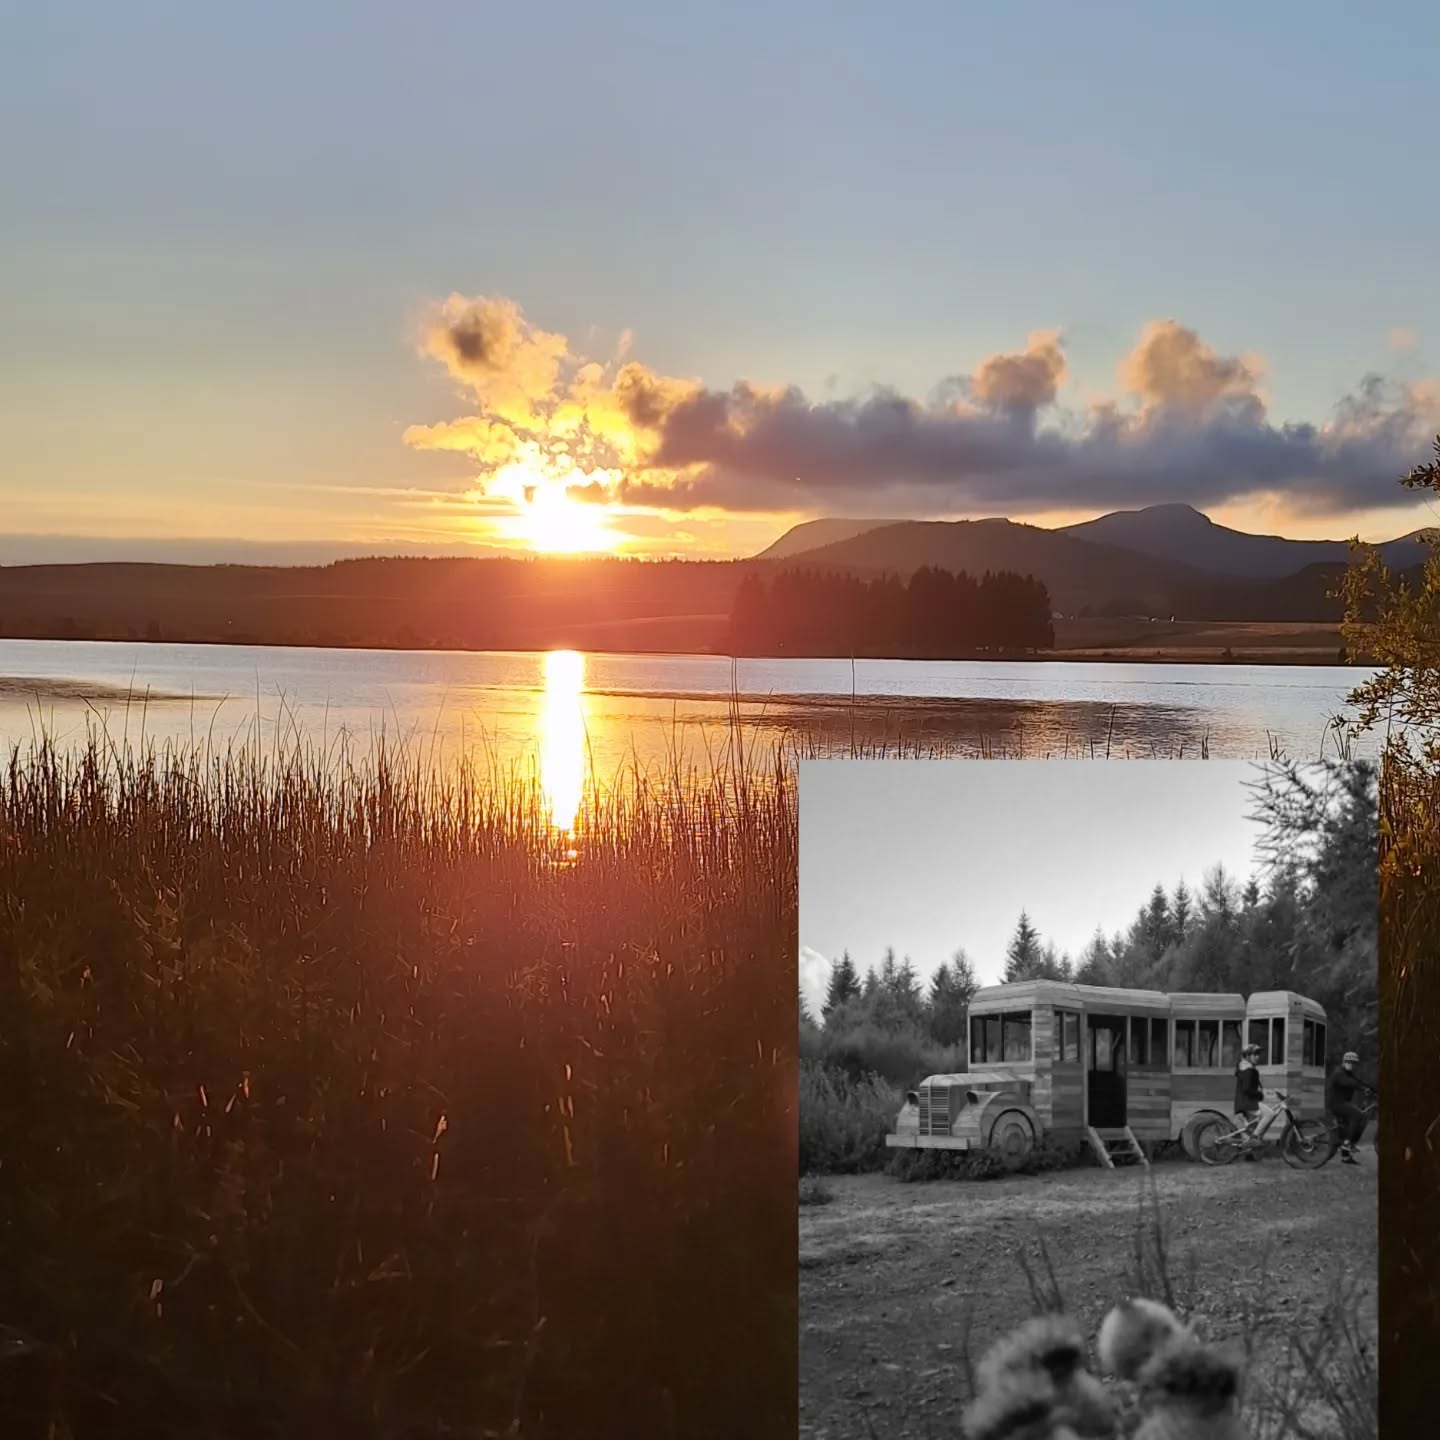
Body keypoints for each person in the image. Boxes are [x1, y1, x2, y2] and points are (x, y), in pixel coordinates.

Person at [1325, 1050, 1377, 1165]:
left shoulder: (1349, 1073)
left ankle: (1345, 1157)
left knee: (1353, 1122)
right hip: (1336, 1103)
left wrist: (1373, 1090)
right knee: (1358, 1115)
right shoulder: (1338, 1073)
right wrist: (1363, 1089)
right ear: (1344, 1062)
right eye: (1349, 1062)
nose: (1352, 1065)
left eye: (1354, 1063)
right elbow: (1348, 1083)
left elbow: (1360, 1082)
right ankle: (1347, 1143)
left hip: (1342, 1103)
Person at [1233, 1041, 1267, 1160]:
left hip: (1245, 1103)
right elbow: (1247, 1089)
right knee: (1268, 1115)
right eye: (1255, 1054)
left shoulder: (1247, 1068)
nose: (1258, 1057)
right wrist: (1259, 1094)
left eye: (1258, 1054)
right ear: (1247, 1056)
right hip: (1247, 1103)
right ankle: (1252, 1144)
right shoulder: (1248, 1070)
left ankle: (1250, 1156)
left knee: (1250, 1129)